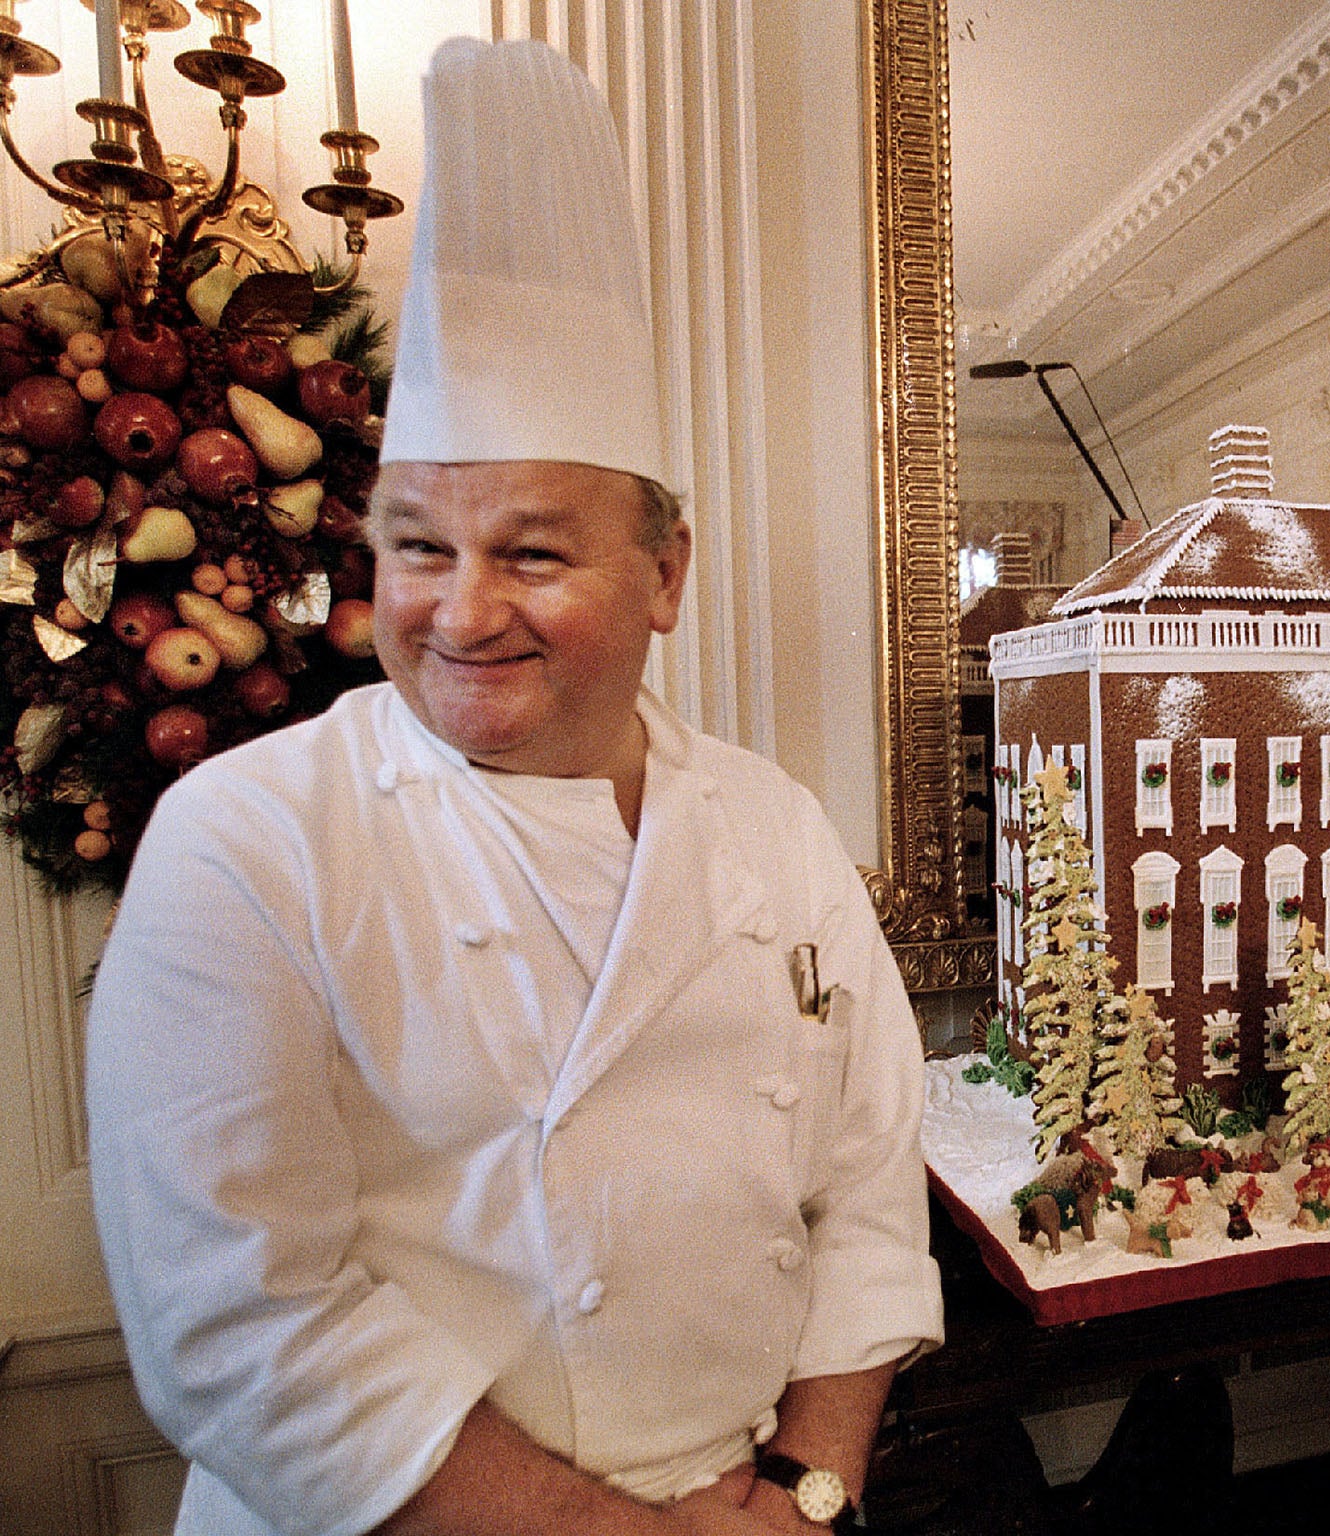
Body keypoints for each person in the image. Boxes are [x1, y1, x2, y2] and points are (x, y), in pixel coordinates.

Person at [85, 37, 942, 1536]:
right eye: (419, 546)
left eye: (533, 553)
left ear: (666, 575)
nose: (460, 612)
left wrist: (806, 1497)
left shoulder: (771, 824)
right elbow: (242, 1326)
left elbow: (868, 1193)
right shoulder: (247, 840)